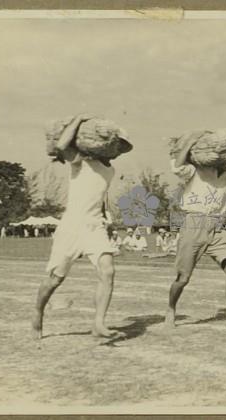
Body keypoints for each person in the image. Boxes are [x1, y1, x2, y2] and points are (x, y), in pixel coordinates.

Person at [32, 113, 131, 339]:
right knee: (55, 280)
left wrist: (107, 222)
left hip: (94, 226)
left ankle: (98, 324)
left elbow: (98, 197)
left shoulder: (110, 170)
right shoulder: (80, 161)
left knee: (108, 271)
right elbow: (61, 144)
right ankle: (38, 311)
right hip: (71, 227)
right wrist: (78, 119)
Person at [166, 130, 226, 329]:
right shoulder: (196, 170)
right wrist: (190, 140)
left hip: (217, 226)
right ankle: (171, 308)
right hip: (194, 223)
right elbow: (177, 167)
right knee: (183, 278)